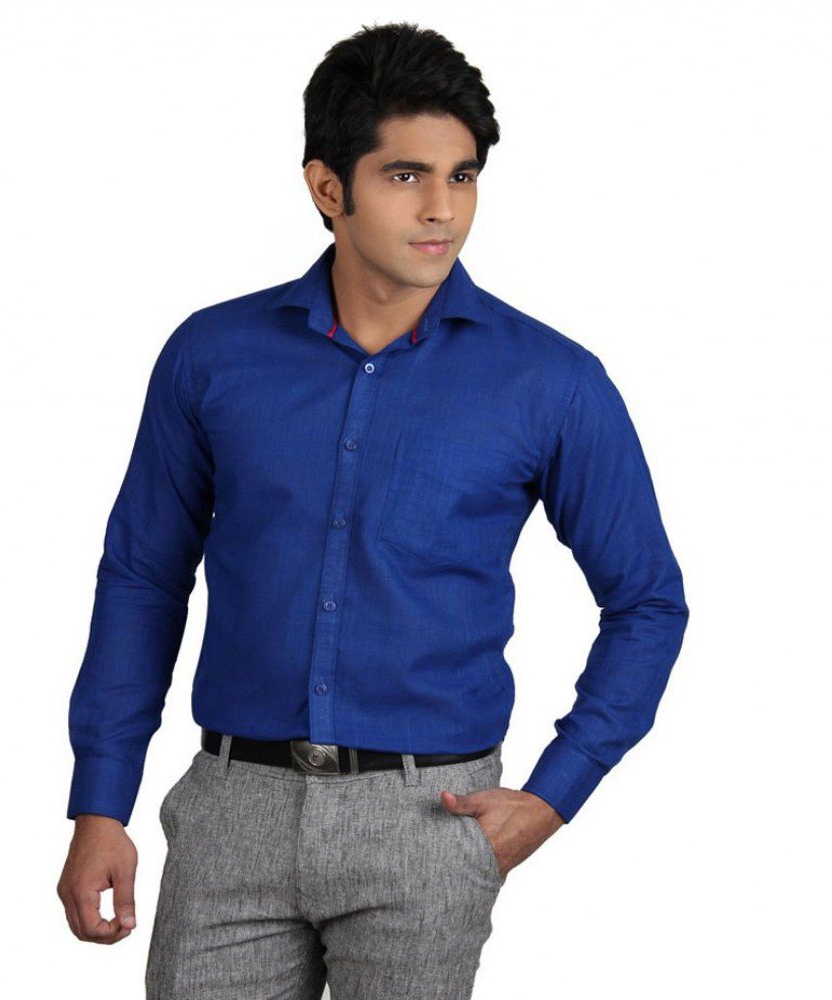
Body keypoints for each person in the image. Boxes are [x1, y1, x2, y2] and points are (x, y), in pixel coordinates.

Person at [57, 20, 689, 1000]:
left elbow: (646, 600)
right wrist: (101, 800)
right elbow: (143, 574)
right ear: (327, 187)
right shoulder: (212, 356)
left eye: (462, 176)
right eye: (405, 175)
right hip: (232, 807)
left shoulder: (550, 382)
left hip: (431, 816)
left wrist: (551, 796)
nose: (442, 209)